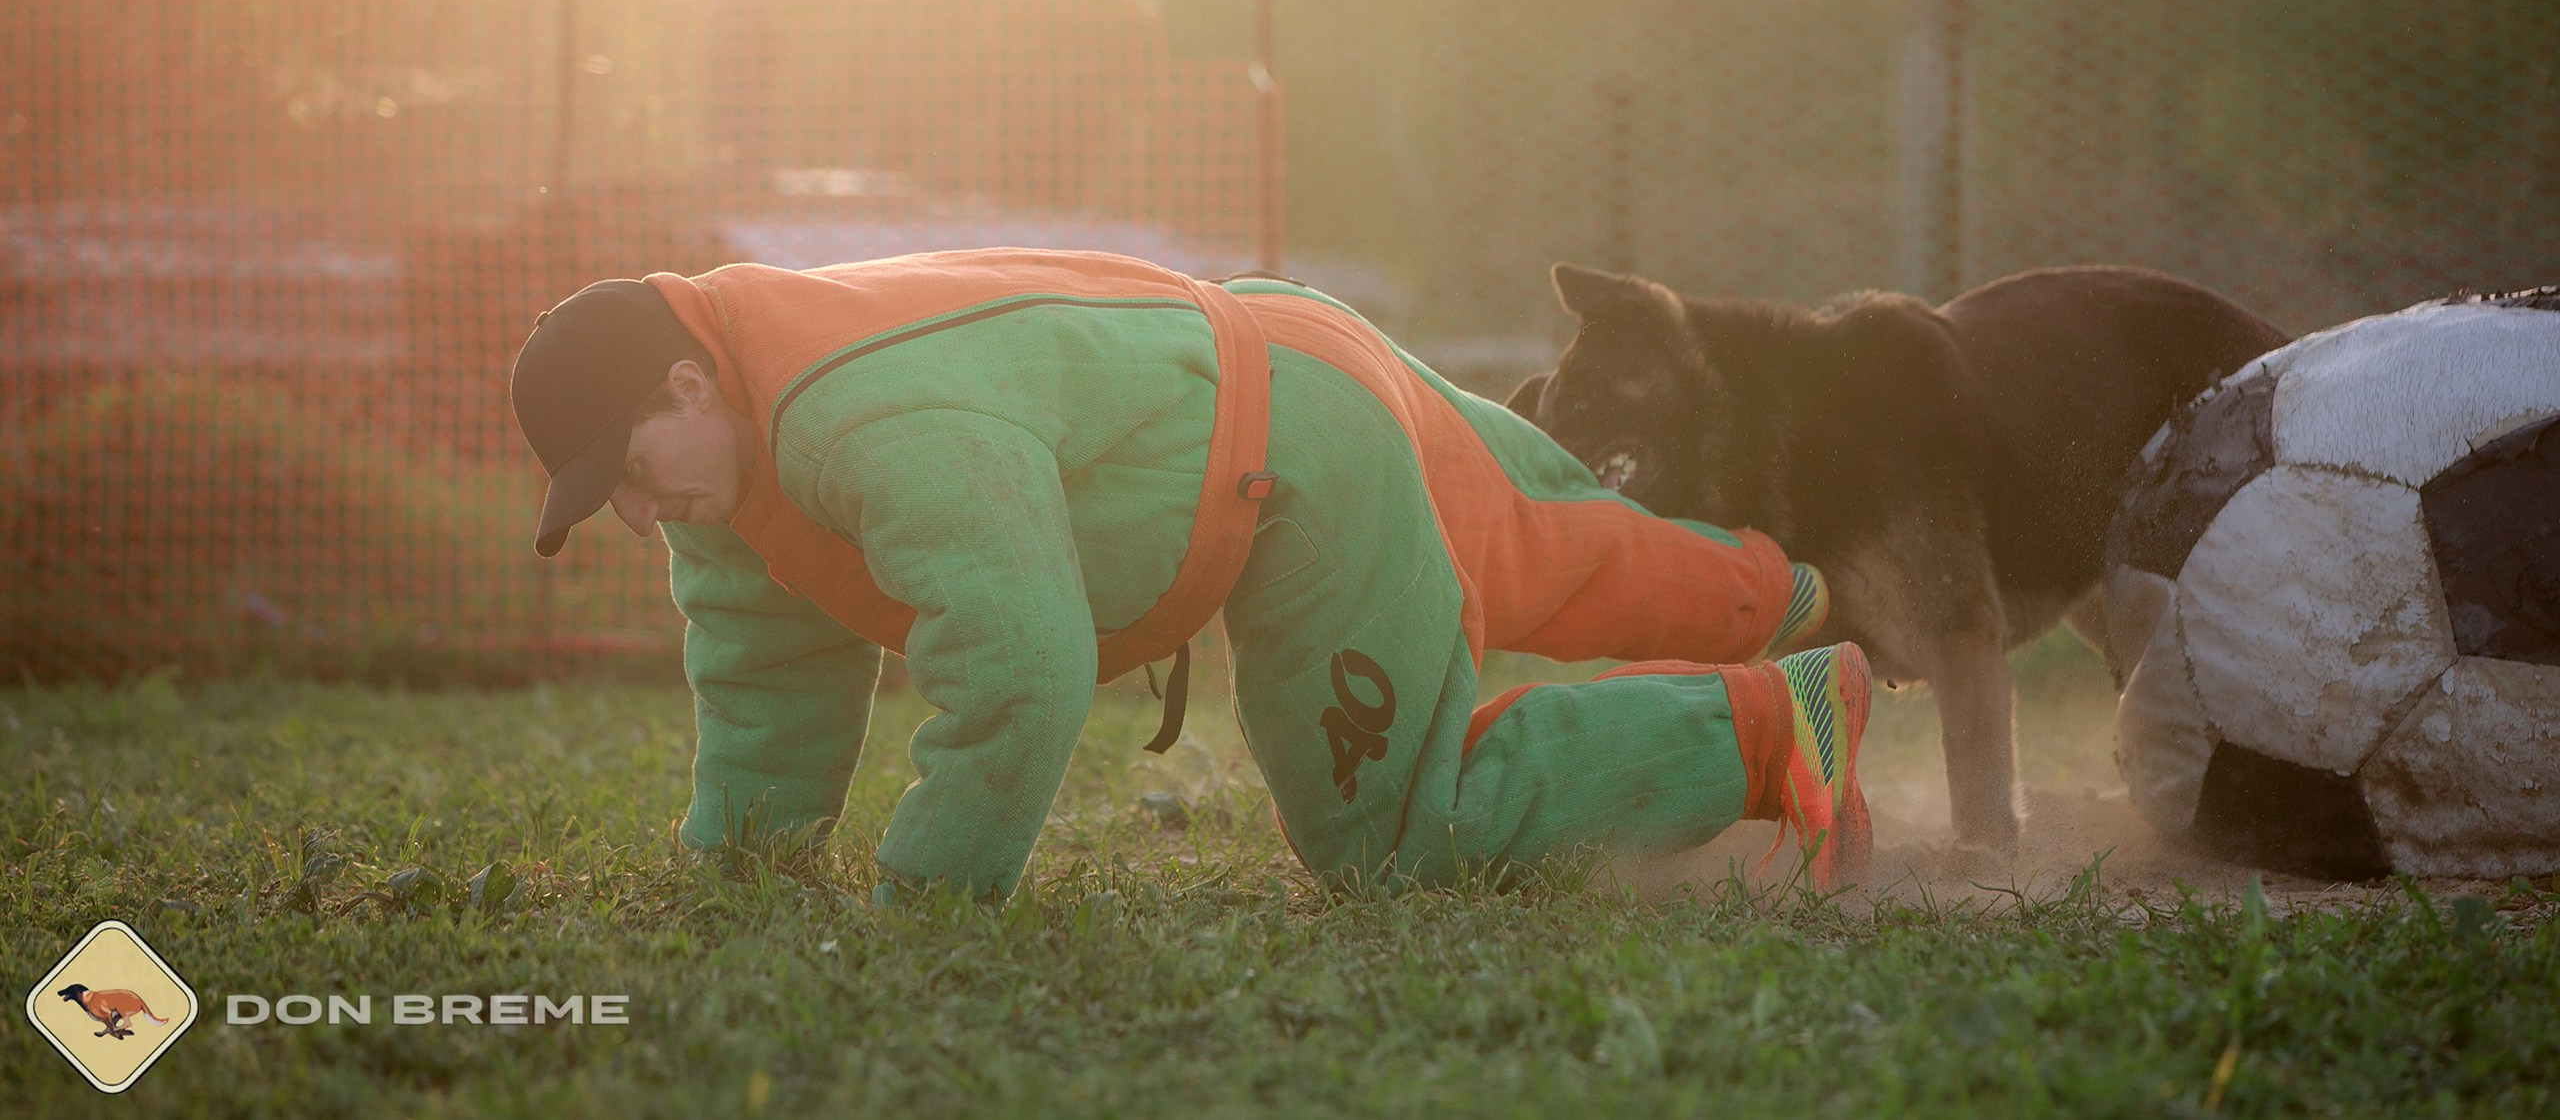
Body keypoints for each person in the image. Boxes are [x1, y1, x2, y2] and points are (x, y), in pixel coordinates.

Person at [508, 250, 1873, 899]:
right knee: (1565, 544)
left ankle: (1779, 731)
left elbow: (1021, 662)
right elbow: (761, 675)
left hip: (1292, 451)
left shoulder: (864, 420)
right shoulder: (725, 461)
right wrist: (744, 863)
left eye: (625, 472)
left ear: (686, 382)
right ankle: (1804, 604)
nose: (636, 516)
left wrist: (928, 903)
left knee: (1392, 838)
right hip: (1263, 358)